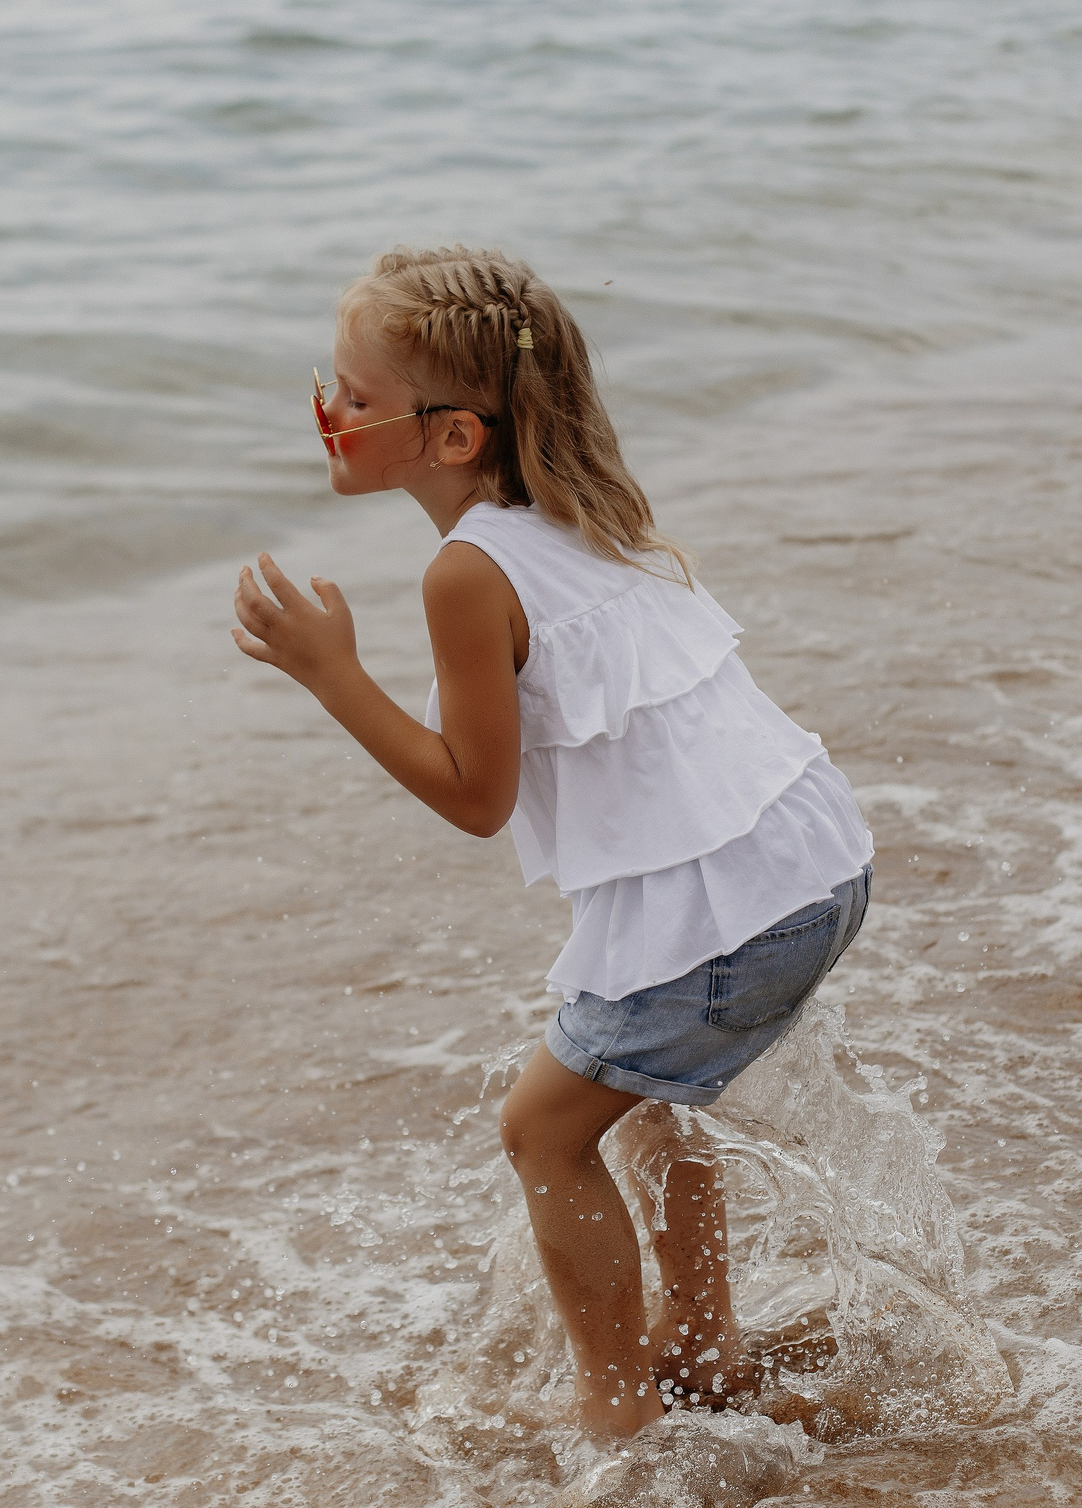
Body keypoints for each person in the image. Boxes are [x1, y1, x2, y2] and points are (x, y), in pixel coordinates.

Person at [229, 245, 873, 1438]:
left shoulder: (465, 574)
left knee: (542, 1128)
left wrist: (332, 675)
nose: (328, 413)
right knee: (634, 1100)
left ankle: (619, 1408)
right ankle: (701, 1354)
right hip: (807, 856)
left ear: (454, 437)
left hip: (729, 900)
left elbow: (476, 796)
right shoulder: (583, 512)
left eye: (353, 397)